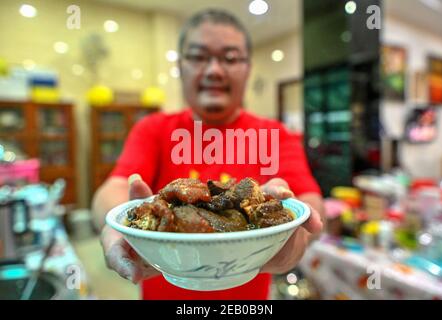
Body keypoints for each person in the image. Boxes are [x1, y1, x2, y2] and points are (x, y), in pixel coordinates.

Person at [93, 9, 325, 300]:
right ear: (180, 66)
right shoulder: (153, 128)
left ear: (248, 68)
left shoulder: (274, 133)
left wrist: (296, 233)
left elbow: (309, 200)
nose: (214, 70)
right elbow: (113, 188)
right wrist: (119, 226)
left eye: (230, 58)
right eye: (199, 56)